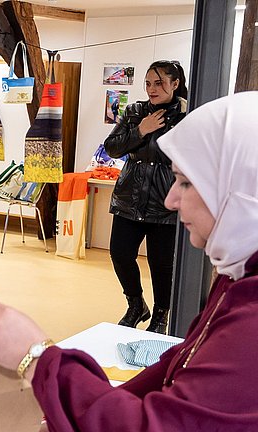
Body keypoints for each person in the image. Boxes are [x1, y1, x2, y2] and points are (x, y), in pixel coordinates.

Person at [0, 92, 258, 431]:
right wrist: (68, 406)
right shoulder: (238, 277)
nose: (172, 199)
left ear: (242, 191)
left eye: (186, 183)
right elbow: (177, 366)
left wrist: (36, 357)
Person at [103, 61, 188, 334]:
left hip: (166, 202)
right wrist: (142, 130)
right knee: (120, 253)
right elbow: (112, 148)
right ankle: (136, 304)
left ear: (175, 84)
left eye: (159, 83)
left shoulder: (186, 116)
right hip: (130, 197)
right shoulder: (135, 111)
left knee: (161, 264)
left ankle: (161, 315)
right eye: (148, 83)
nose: (152, 89)